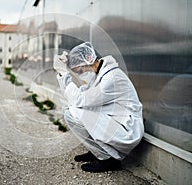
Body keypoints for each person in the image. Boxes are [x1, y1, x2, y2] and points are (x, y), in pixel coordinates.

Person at [53, 42, 144, 173]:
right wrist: (66, 70)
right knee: (71, 109)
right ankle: (97, 150)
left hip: (127, 128)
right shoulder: (99, 75)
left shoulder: (111, 78)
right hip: (115, 120)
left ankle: (108, 160)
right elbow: (76, 98)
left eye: (80, 70)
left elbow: (80, 100)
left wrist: (63, 73)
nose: (80, 74)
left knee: (73, 112)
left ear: (89, 59)